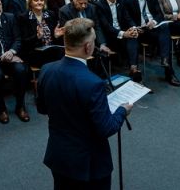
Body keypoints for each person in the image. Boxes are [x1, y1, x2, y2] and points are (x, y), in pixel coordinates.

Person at [36, 17, 132, 190]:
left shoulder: (46, 69)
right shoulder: (93, 83)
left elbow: (42, 108)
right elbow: (106, 128)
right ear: (88, 47)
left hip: (59, 155)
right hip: (88, 163)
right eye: (94, 41)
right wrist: (122, 111)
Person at [120, 0, 180, 87]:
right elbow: (126, 18)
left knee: (164, 29)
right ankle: (136, 75)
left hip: (151, 28)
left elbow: (159, 14)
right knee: (132, 39)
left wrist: (153, 21)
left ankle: (166, 65)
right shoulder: (127, 0)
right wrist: (134, 27)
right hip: (138, 30)